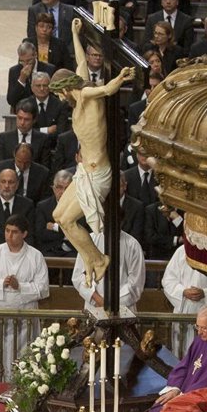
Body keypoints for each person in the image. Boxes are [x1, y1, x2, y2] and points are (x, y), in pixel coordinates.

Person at [49, 17, 138, 286]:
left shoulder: (86, 94)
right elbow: (81, 61)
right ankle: (90, 259)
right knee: (58, 217)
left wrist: (121, 77)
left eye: (59, 93)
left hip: (98, 172)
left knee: (67, 221)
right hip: (83, 170)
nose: (59, 98)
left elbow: (107, 89)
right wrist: (75, 34)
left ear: (66, 88)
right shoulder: (78, 94)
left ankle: (98, 259)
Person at [0, 216, 50, 380]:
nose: (9, 236)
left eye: (15, 232)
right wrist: (1, 283)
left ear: (24, 234)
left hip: (25, 321)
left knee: (23, 358)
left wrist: (19, 286)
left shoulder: (35, 256)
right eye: (7, 231)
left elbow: (43, 288)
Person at [70, 229, 146, 313]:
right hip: (94, 307)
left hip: (123, 310)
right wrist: (98, 300)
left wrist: (112, 305)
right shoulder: (88, 240)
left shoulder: (132, 244)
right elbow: (78, 277)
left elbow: (136, 284)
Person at [0, 168, 35, 251]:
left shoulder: (27, 205)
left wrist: (17, 250)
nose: (6, 186)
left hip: (20, 252)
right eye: (3, 182)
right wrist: (2, 251)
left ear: (17, 185)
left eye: (11, 182)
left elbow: (30, 234)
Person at [34, 169, 75, 256]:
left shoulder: (79, 207)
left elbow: (80, 233)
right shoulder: (43, 206)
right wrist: (66, 234)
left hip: (74, 250)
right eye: (59, 187)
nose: (63, 192)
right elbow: (41, 234)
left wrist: (55, 227)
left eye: (67, 188)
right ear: (53, 188)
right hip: (50, 250)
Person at [6, 42, 55, 111]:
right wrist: (21, 80)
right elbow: (11, 100)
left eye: (29, 60)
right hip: (23, 111)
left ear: (35, 55)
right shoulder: (14, 71)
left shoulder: (49, 69)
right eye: (22, 61)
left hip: (44, 109)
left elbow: (53, 95)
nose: (25, 64)